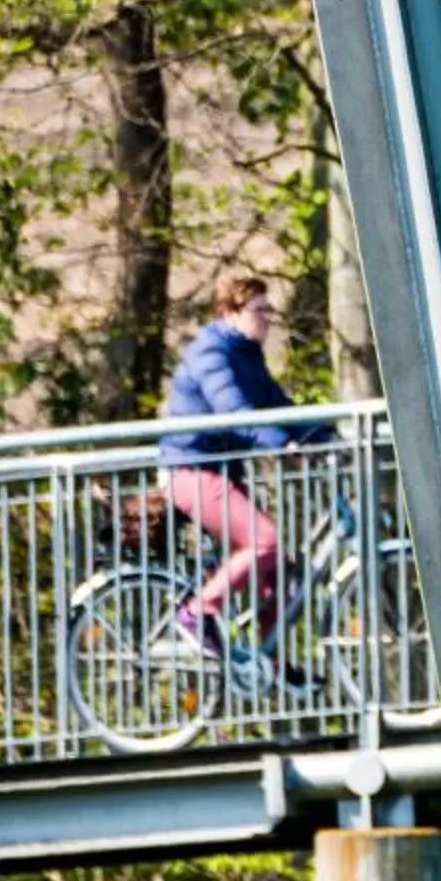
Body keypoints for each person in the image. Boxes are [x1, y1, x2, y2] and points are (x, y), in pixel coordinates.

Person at [154, 272, 328, 669]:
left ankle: (270, 660)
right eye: (259, 310)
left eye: (269, 310)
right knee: (264, 541)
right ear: (231, 312)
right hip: (189, 471)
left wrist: (329, 436)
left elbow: (278, 407)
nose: (267, 318)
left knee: (282, 568)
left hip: (220, 472)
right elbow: (235, 413)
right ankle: (196, 612)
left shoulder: (248, 354)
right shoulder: (211, 354)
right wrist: (280, 445)